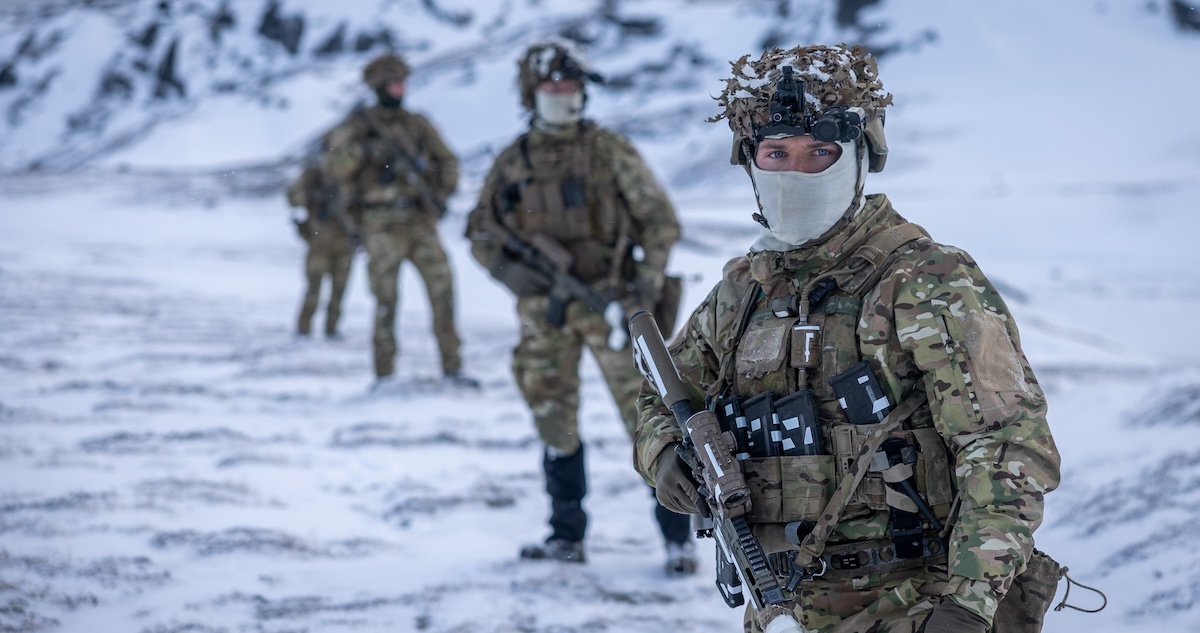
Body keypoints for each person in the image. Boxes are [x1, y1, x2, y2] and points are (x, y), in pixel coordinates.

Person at [634, 45, 1062, 632]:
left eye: (820, 154)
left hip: (912, 602)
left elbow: (1008, 449)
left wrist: (967, 604)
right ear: (750, 161)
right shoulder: (742, 292)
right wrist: (661, 455)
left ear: (863, 157)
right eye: (777, 153)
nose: (795, 173)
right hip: (781, 605)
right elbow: (663, 393)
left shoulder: (923, 281)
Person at [465, 38, 694, 574]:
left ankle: (677, 539)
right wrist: (513, 274)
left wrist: (644, 281)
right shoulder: (512, 161)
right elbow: (480, 231)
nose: (563, 95)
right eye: (552, 86)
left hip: (613, 304)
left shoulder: (607, 150)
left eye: (571, 87)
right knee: (553, 420)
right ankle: (566, 535)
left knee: (649, 419)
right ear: (532, 92)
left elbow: (661, 221)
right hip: (546, 314)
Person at [322, 53, 476, 387]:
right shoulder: (358, 127)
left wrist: (442, 192)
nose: (400, 89)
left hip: (419, 219)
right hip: (379, 223)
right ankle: (384, 373)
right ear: (378, 87)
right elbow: (334, 169)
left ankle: (453, 367)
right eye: (393, 83)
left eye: (402, 83)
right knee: (385, 300)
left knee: (443, 291)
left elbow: (448, 161)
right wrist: (366, 152)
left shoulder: (416, 125)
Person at [286, 155, 355, 340]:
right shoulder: (313, 177)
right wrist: (312, 195)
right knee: (313, 288)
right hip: (319, 244)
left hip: (345, 244)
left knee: (339, 289)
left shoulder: (352, 176)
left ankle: (332, 329)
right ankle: (304, 328)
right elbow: (293, 198)